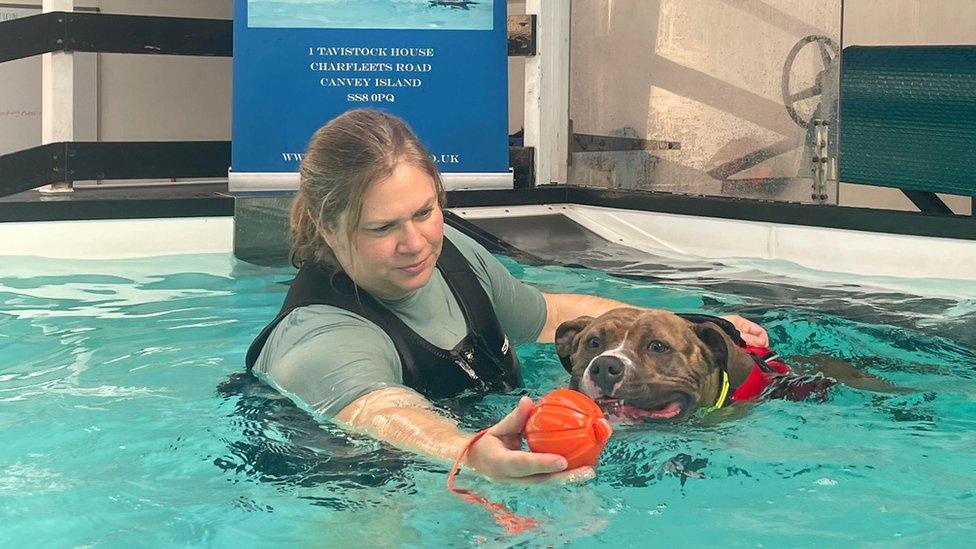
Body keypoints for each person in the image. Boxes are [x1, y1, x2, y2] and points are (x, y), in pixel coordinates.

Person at [246, 109, 769, 483]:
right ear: (327, 226)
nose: (416, 243)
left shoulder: (452, 254)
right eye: (382, 228)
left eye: (426, 212)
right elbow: (383, 415)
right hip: (360, 475)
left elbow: (545, 316)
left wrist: (686, 323)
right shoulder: (321, 333)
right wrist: (473, 454)